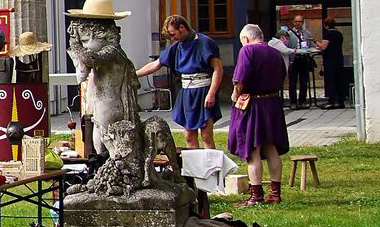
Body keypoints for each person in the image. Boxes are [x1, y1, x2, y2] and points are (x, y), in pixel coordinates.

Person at [135, 15, 223, 151]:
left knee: (206, 135)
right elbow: (156, 64)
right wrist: (133, 74)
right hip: (187, 93)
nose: (172, 38)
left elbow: (218, 69)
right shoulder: (176, 47)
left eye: (172, 34)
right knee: (189, 135)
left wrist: (211, 94)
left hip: (203, 91)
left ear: (181, 27)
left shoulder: (205, 43)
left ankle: (212, 171)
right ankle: (195, 171)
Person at [230, 24, 291, 205]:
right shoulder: (274, 52)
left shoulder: (247, 51)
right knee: (270, 147)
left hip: (253, 105)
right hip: (272, 103)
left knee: (252, 149)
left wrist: (235, 96)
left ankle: (256, 196)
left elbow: (240, 79)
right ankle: (275, 194)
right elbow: (283, 76)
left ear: (246, 39)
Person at [280, 17, 316, 106]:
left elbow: (311, 46)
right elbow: (286, 47)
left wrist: (309, 51)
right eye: (296, 21)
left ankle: (302, 101)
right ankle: (293, 102)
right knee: (292, 82)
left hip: (304, 58)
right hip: (294, 59)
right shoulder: (289, 34)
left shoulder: (307, 33)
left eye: (299, 21)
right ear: (293, 22)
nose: (298, 23)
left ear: (303, 22)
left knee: (304, 81)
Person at [319, 18, 348, 109]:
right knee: (339, 80)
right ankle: (340, 101)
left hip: (330, 60)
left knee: (331, 80)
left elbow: (323, 47)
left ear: (326, 25)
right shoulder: (339, 34)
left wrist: (315, 41)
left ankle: (331, 101)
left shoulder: (328, 35)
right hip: (339, 59)